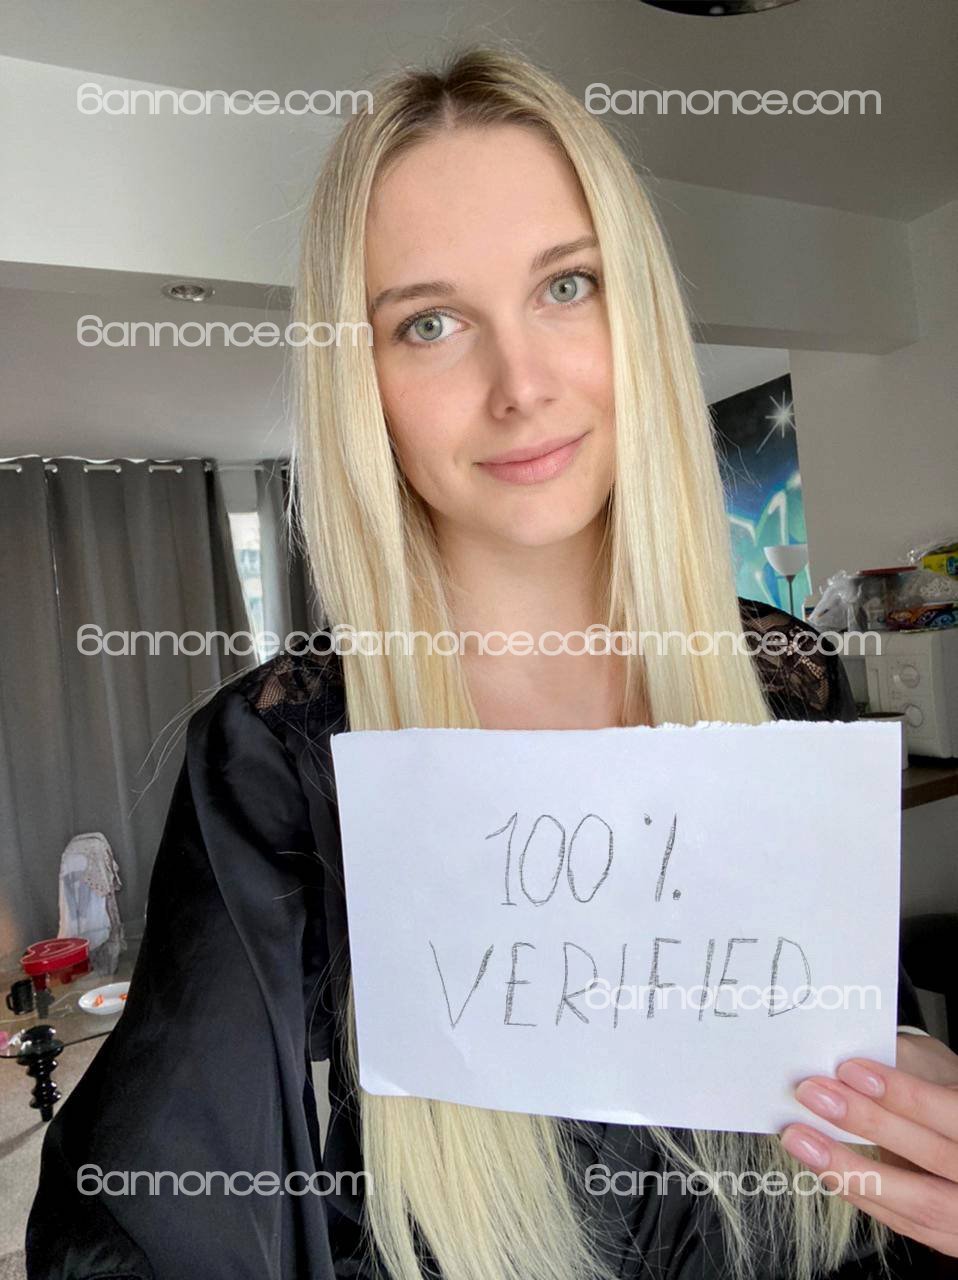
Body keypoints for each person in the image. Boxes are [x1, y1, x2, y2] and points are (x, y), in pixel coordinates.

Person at [26, 46, 958, 1280]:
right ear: (361, 379)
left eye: (566, 286)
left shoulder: (782, 674)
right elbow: (149, 1211)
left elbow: (848, 1091)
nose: (520, 386)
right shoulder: (280, 757)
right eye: (429, 322)